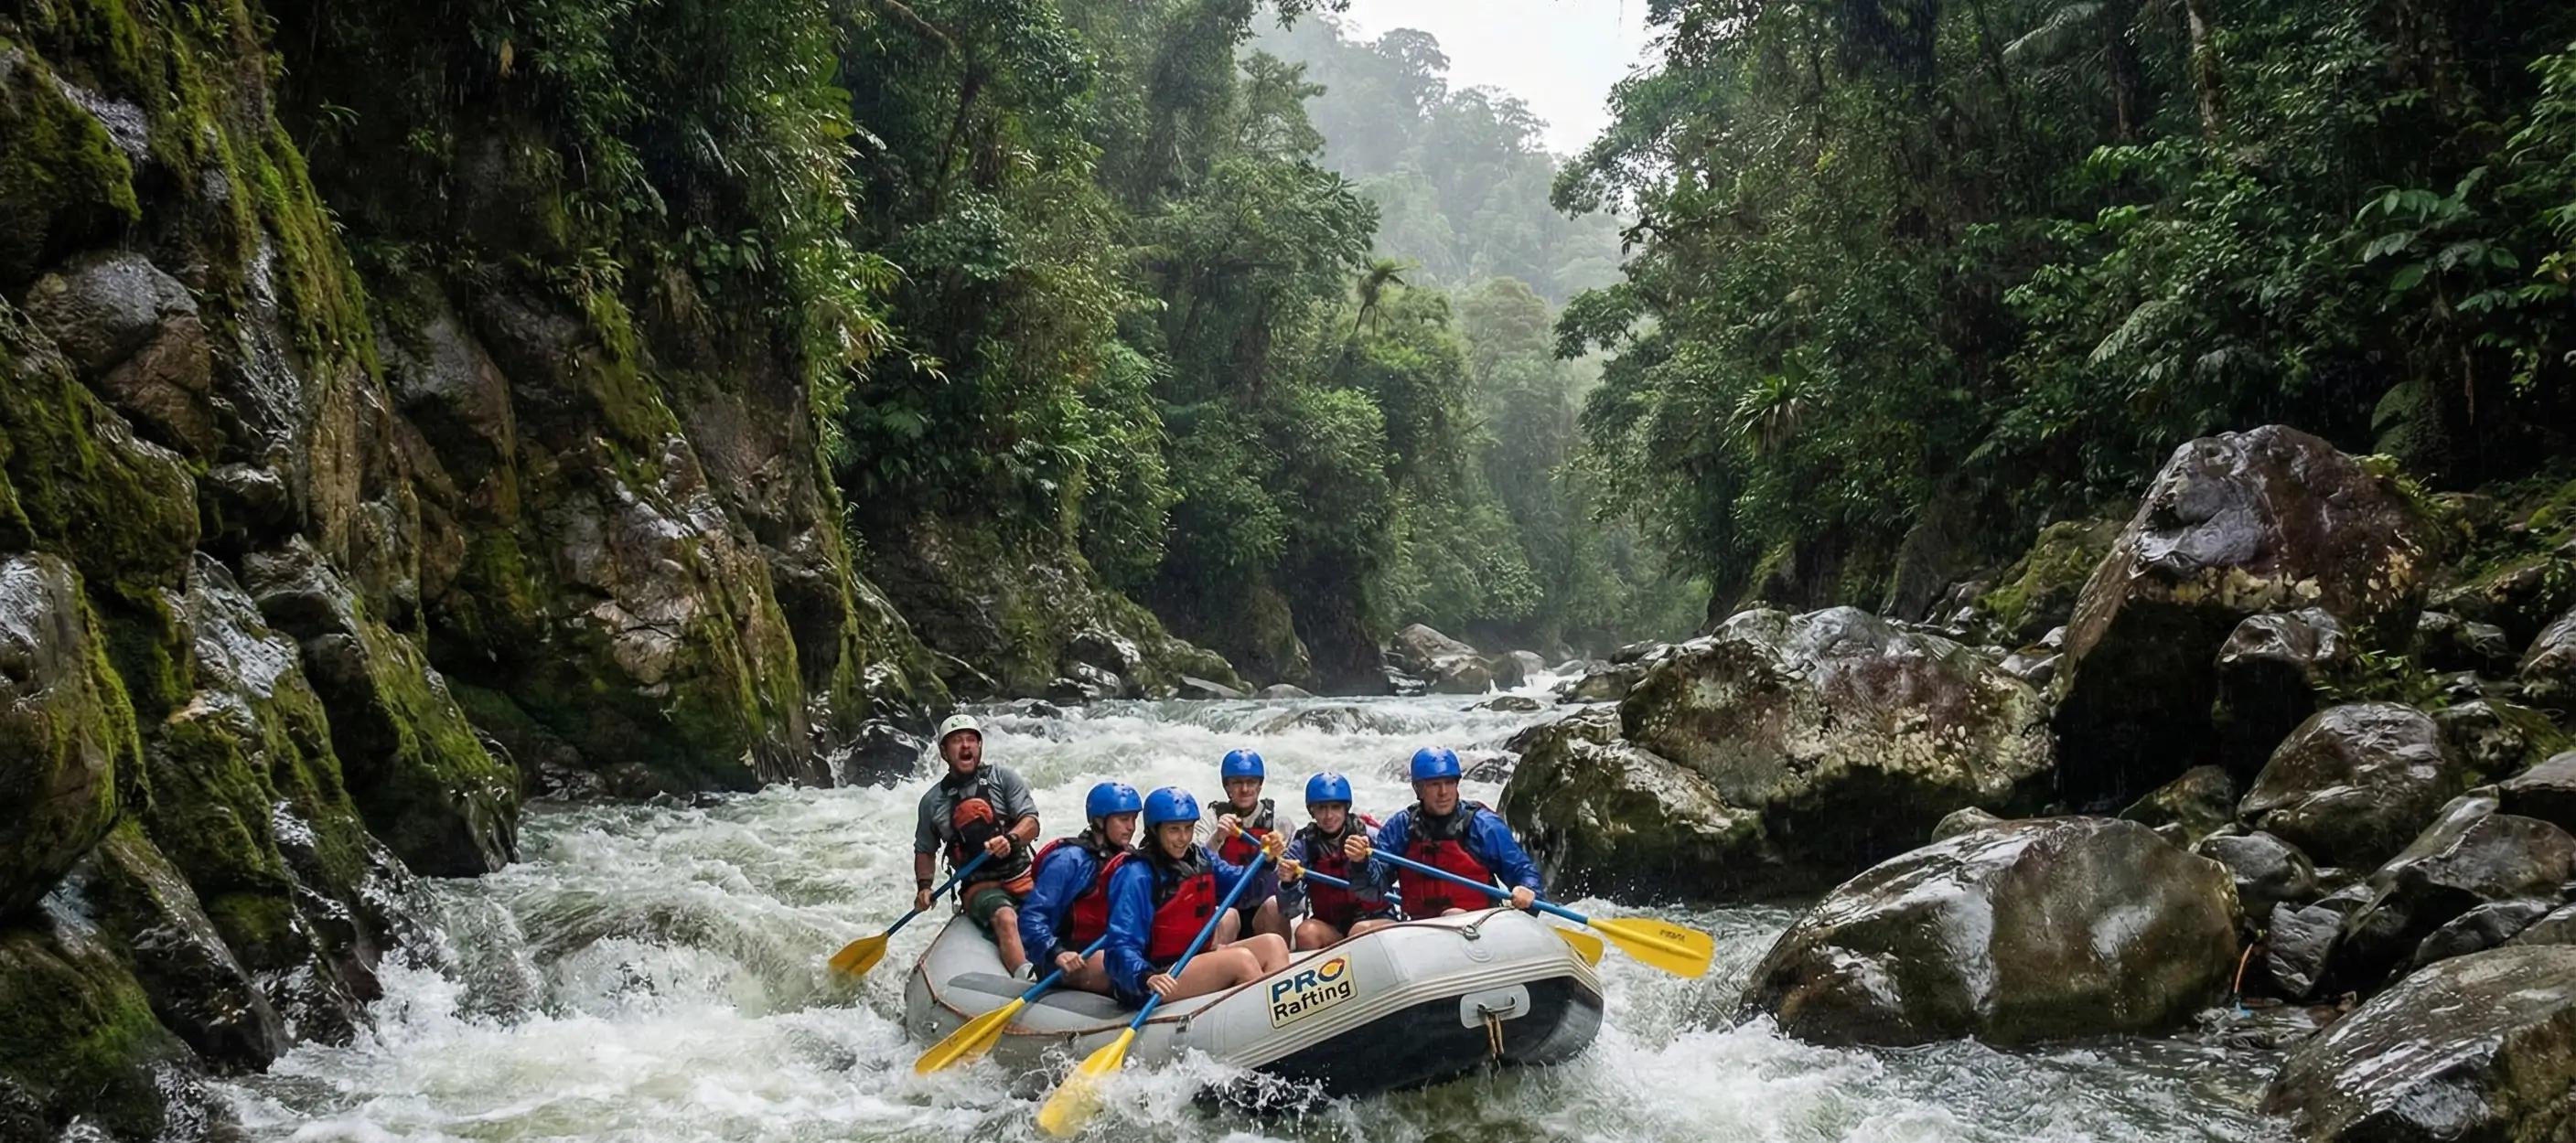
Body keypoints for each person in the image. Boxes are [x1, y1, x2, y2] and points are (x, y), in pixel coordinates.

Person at [1104, 787, 1292, 1007]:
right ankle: (1265, 1017)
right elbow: (1118, 946)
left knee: (1274, 944)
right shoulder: (1136, 874)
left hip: (1193, 959)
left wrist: (1266, 860)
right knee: (1241, 961)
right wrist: (1144, 976)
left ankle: (1283, 1013)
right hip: (1154, 976)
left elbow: (1244, 890)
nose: (1183, 838)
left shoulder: (1199, 858)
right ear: (1155, 830)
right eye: (1174, 830)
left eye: (1188, 829)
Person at [911, 713, 1041, 975]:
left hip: (1021, 874)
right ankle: (1026, 977)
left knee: (1059, 910)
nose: (966, 746)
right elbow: (925, 848)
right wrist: (924, 887)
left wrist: (1011, 839)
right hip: (979, 885)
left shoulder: (1003, 779)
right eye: (957, 741)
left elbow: (1031, 822)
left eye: (972, 740)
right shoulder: (932, 802)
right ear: (945, 752)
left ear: (980, 747)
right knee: (1005, 917)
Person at [1351, 747, 1541, 918]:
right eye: (1434, 785)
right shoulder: (1401, 827)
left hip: (1480, 926)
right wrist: (1361, 864)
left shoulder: (1483, 825)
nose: (1443, 792)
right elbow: (1372, 891)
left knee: (1453, 914)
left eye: (1449, 783)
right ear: (1419, 789)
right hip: (1420, 929)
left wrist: (1527, 888)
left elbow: (1522, 870)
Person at [1015, 782, 1143, 995]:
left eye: (1134, 819)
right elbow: (1031, 917)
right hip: (1067, 958)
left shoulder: (1127, 856)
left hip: (1110, 950)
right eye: (1123, 819)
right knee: (1124, 964)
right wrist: (1056, 952)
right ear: (1100, 821)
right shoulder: (1068, 860)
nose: (1131, 827)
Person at [1276, 771, 1396, 949]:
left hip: (1377, 921)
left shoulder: (1370, 837)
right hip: (1333, 928)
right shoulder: (1302, 846)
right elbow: (1289, 909)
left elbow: (1386, 882)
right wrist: (1288, 883)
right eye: (1321, 809)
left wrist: (1364, 863)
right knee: (1305, 933)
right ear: (1312, 811)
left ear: (1345, 809)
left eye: (1335, 807)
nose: (1328, 816)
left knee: (1359, 931)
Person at [1205, 749, 1290, 944]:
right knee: (1226, 915)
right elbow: (1195, 864)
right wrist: (1218, 837)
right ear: (1227, 787)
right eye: (1237, 783)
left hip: (1262, 910)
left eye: (1251, 782)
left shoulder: (1280, 822)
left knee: (1274, 906)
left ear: (1260, 786)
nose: (1245, 789)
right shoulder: (1212, 818)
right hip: (1225, 906)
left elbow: (1292, 875)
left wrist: (1278, 857)